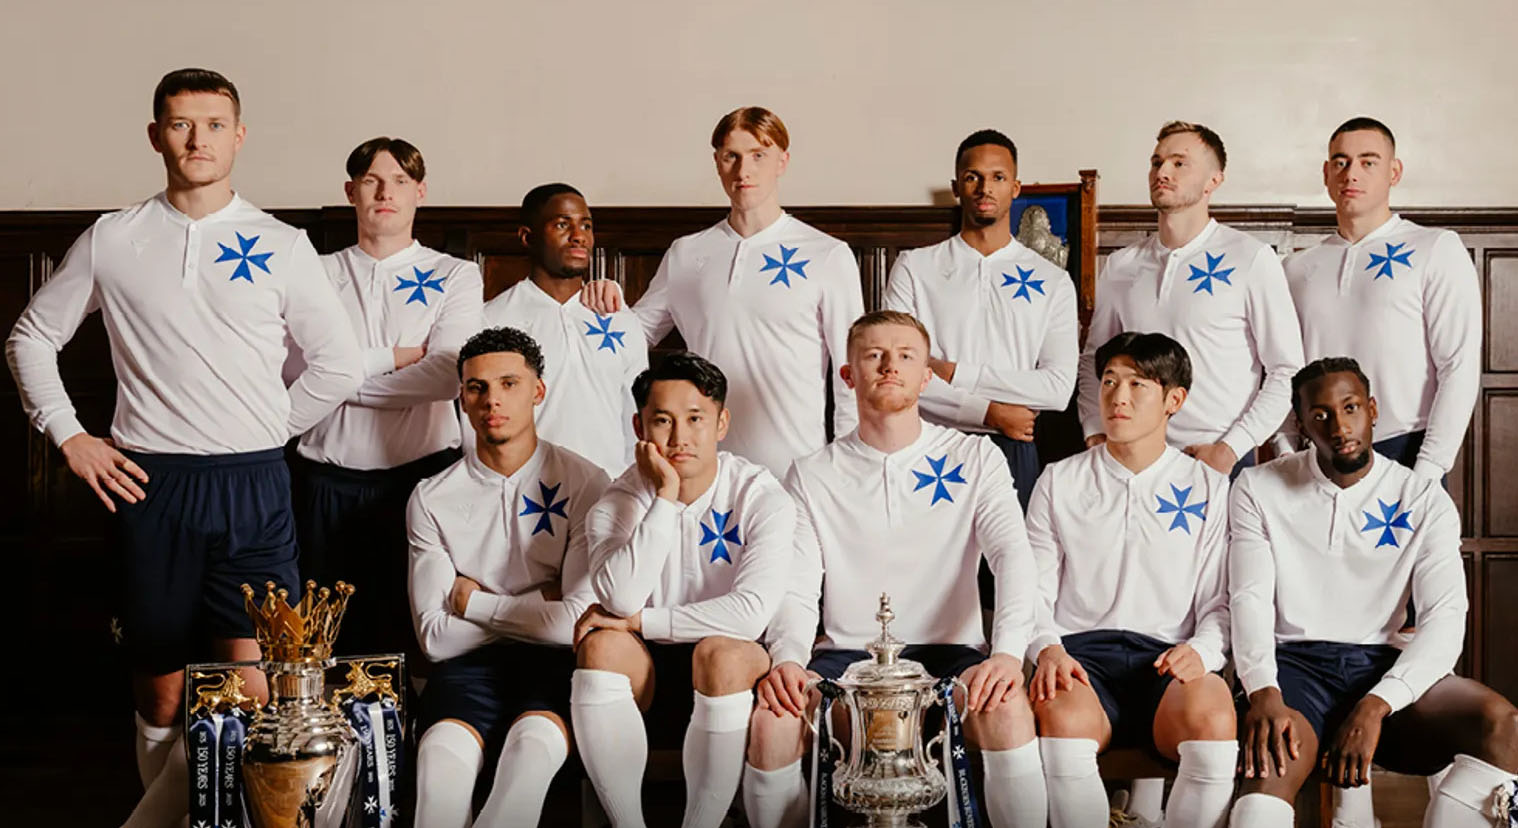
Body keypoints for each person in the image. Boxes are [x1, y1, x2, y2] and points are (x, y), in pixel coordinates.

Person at [5, 68, 362, 827]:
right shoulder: (114, 237)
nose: (198, 139)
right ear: (155, 136)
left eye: (214, 124)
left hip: (254, 489)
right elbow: (31, 337)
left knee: (259, 691)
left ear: (239, 135)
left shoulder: (281, 243)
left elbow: (338, 363)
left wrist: (263, 427)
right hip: (150, 487)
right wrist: (69, 434)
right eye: (180, 124)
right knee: (162, 692)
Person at [743, 310, 1047, 828]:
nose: (890, 366)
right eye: (874, 355)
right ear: (848, 374)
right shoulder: (811, 473)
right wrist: (789, 658)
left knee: (1007, 708)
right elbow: (796, 586)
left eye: (906, 356)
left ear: (926, 376)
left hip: (951, 653)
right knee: (773, 722)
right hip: (847, 657)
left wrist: (1008, 654)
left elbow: (1013, 557)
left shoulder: (976, 457)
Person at [1228, 357, 1518, 827]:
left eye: (1350, 408)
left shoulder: (1422, 498)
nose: (1340, 427)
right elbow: (1249, 598)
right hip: (1293, 669)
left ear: (1372, 410)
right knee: (1261, 797)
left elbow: (1446, 621)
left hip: (1382, 665)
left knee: (1502, 725)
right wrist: (1262, 690)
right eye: (1320, 415)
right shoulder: (1258, 487)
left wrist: (1376, 704)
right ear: (1300, 424)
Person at [571, 352, 795, 828]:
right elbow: (619, 600)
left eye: (695, 419)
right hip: (646, 668)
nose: (679, 438)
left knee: (720, 654)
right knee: (600, 647)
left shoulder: (760, 494)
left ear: (721, 423)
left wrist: (639, 621)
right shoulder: (615, 502)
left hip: (730, 667)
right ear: (639, 426)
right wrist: (666, 495)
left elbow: (751, 614)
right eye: (662, 421)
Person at [581, 106, 864, 477]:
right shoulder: (686, 253)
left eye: (758, 155)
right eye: (732, 156)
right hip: (704, 469)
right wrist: (606, 298)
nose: (743, 171)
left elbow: (851, 373)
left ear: (782, 161)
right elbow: (633, 336)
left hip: (795, 469)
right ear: (717, 162)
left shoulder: (827, 255)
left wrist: (846, 464)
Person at [1027, 331, 1235, 828]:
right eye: (1109, 381)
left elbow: (1222, 600)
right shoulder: (1059, 480)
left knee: (1213, 720)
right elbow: (1030, 589)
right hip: (1080, 657)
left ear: (1174, 400)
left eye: (1137, 384)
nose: (1118, 396)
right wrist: (1046, 648)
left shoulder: (1209, 487)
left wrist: (1203, 651)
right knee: (1061, 717)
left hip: (1167, 657)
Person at [408, 327, 610, 828]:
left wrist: (473, 604)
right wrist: (541, 603)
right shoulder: (431, 497)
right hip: (466, 669)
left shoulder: (585, 481)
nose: (491, 400)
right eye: (476, 387)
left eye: (508, 384)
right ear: (462, 398)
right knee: (438, 771)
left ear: (537, 391)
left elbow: (571, 627)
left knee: (529, 758)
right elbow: (435, 638)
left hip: (555, 665)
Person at [291, 136, 483, 656]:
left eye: (399, 180)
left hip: (421, 478)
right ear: (350, 191)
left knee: (414, 633)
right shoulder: (314, 273)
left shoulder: (455, 275)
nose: (385, 192)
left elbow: (445, 377)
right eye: (371, 180)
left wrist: (334, 378)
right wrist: (394, 357)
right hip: (324, 481)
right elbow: (290, 369)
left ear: (420, 191)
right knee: (323, 636)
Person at [1077, 120, 1304, 478]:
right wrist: (1094, 430)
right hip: (1135, 458)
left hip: (1215, 458)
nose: (1162, 172)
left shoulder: (1250, 258)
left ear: (1213, 180)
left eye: (1179, 163)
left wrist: (1232, 448)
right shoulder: (1121, 265)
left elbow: (1286, 369)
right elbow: (1093, 359)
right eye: (1156, 162)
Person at [883, 128, 1078, 510]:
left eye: (998, 177)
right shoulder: (915, 267)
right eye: (973, 176)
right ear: (957, 187)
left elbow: (1057, 388)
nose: (985, 187)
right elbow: (902, 375)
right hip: (930, 443)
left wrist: (956, 372)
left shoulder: (1052, 280)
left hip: (1013, 447)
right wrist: (989, 413)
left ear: (1016, 188)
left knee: (1011, 551)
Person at [1282, 117, 1481, 480]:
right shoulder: (1296, 268)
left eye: (1368, 162)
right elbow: (1284, 367)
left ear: (1394, 171)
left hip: (1405, 448)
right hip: (1317, 451)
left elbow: (1459, 365)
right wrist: (1286, 450)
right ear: (1326, 173)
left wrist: (1429, 468)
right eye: (1341, 162)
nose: (1351, 174)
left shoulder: (1435, 248)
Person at [480, 183, 646, 478]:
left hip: (610, 488)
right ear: (527, 237)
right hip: (530, 491)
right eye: (562, 224)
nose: (579, 236)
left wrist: (633, 486)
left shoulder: (620, 318)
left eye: (586, 225)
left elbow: (637, 415)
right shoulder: (493, 319)